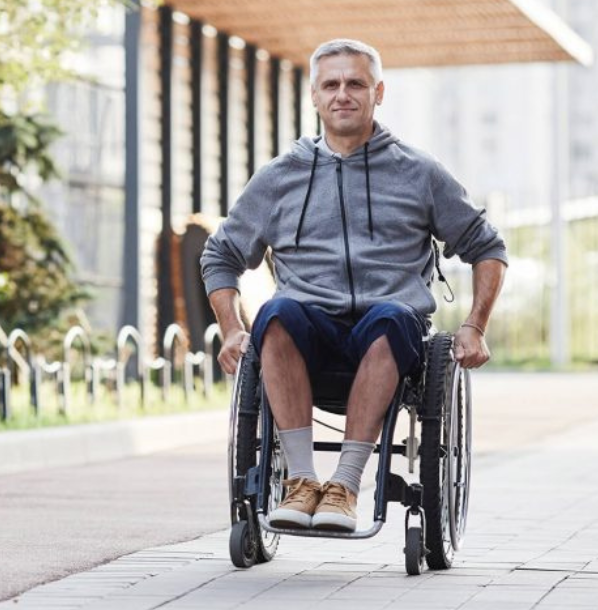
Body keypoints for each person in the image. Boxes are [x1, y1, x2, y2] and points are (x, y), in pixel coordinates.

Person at [200, 39, 507, 532]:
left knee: (389, 318)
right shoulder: (280, 177)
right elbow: (221, 254)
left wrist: (475, 326)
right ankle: (302, 482)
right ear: (315, 97)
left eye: (356, 83)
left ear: (378, 92)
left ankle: (344, 484)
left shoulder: (419, 173)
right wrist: (232, 327)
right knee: (274, 316)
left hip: (388, 336)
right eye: (332, 84)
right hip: (306, 336)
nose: (344, 94)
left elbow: (486, 246)